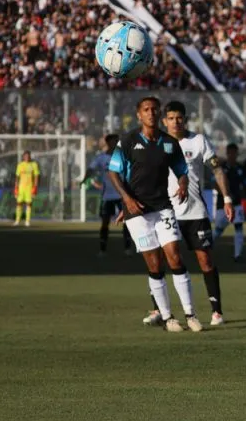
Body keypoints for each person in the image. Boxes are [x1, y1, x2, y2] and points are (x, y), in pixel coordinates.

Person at [108, 96, 202, 333]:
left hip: (163, 207)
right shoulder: (127, 142)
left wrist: (182, 183)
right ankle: (168, 317)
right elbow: (114, 173)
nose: (150, 113)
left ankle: (191, 314)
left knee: (175, 256)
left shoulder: (169, 142)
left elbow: (181, 170)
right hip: (137, 212)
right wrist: (127, 200)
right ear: (139, 115)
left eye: (154, 109)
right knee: (154, 262)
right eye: (146, 110)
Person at [139, 101, 234, 328]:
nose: (175, 122)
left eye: (179, 117)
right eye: (170, 118)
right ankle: (158, 310)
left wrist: (227, 199)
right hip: (165, 211)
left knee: (205, 260)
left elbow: (217, 169)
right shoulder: (157, 142)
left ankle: (216, 311)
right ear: (164, 121)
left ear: (185, 119)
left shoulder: (198, 141)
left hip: (195, 212)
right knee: (158, 260)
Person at [82, 134, 133, 256]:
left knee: (127, 222)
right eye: (112, 141)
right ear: (107, 142)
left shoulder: (123, 156)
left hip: (122, 195)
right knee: (105, 223)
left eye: (116, 141)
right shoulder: (101, 158)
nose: (115, 143)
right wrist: (84, 179)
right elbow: (91, 169)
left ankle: (127, 247)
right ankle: (102, 248)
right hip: (107, 196)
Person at [213, 143, 246, 263]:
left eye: (235, 153)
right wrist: (225, 195)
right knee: (218, 230)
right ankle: (204, 249)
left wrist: (244, 194)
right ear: (228, 154)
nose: (233, 155)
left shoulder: (240, 168)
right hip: (222, 204)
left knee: (239, 227)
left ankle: (237, 255)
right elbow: (215, 183)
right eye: (231, 153)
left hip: (237, 204)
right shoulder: (222, 168)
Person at [13, 151, 40, 227]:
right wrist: (16, 187)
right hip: (21, 188)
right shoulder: (20, 165)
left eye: (28, 156)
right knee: (19, 203)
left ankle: (27, 221)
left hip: (29, 188)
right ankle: (17, 220)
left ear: (30, 156)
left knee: (29, 204)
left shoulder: (33, 165)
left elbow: (36, 176)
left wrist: (35, 187)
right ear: (23, 157)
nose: (27, 157)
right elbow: (17, 177)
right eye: (25, 156)